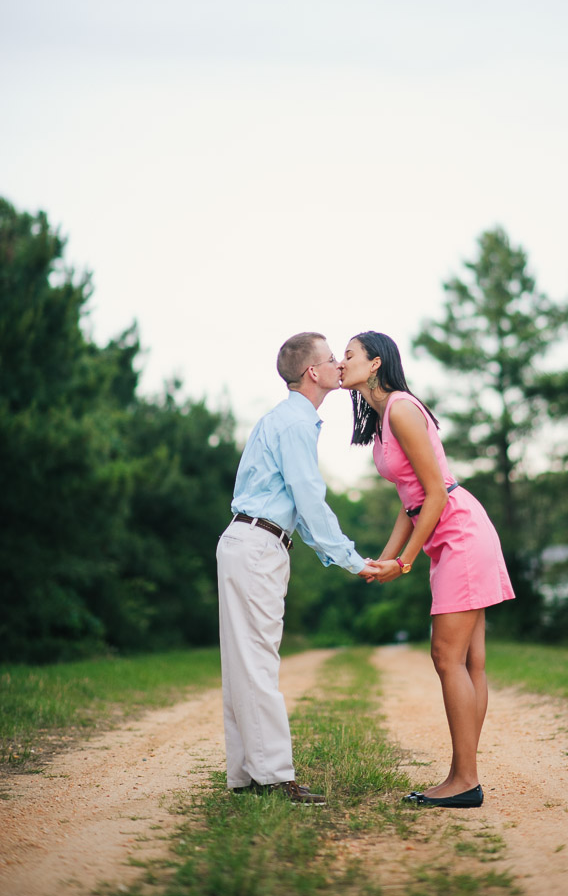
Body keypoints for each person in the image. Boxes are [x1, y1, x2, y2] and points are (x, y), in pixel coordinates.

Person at [339, 331, 514, 809]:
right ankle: (463, 776)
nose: (340, 360)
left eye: (348, 354)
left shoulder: (400, 408)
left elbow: (436, 493)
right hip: (448, 538)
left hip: (459, 533)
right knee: (469, 661)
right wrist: (382, 557)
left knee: (447, 656)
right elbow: (409, 503)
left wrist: (405, 562)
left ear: (374, 363)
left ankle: (465, 780)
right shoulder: (382, 420)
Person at [217, 331, 374, 806]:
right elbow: (310, 499)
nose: (339, 366)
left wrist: (335, 556)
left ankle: (246, 775)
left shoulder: (284, 420)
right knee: (257, 662)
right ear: (314, 372)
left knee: (243, 664)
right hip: (257, 546)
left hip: (250, 541)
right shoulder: (295, 424)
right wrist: (352, 559)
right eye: (332, 360)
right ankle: (274, 776)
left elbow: (299, 510)